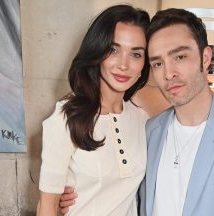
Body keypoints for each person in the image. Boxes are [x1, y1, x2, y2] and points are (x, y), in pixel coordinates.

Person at [61, 8, 214, 216]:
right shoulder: (149, 129)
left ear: (206, 58)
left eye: (180, 57)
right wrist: (75, 195)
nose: (169, 73)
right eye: (157, 63)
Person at [36, 5, 150, 216]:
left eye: (136, 54)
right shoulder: (67, 117)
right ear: (97, 50)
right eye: (113, 50)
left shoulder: (143, 120)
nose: (124, 65)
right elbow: (47, 207)